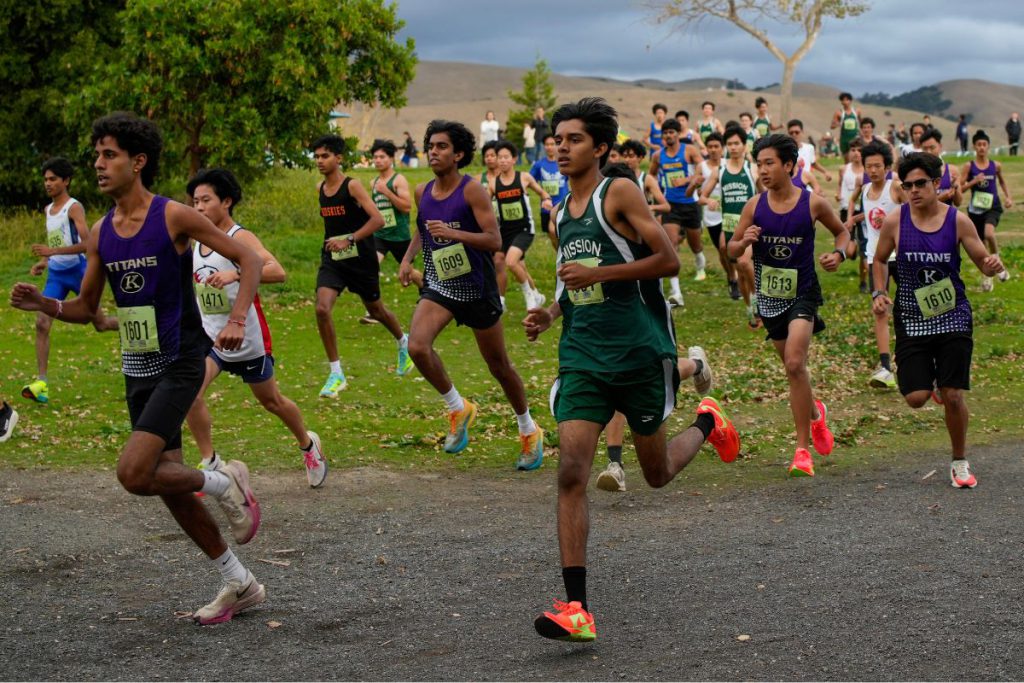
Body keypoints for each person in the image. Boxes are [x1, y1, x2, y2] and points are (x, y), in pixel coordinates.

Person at [10, 112, 265, 624]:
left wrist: (237, 318)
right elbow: (85, 309)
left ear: (138, 161)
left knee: (134, 473)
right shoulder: (102, 232)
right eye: (96, 156)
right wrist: (44, 305)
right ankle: (240, 582)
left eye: (110, 155)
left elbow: (251, 260)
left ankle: (224, 483)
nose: (99, 165)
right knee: (165, 483)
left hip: (180, 361)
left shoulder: (173, 216)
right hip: (137, 366)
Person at [523, 97, 738, 643]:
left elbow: (666, 260)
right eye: (558, 140)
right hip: (583, 357)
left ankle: (708, 420)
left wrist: (603, 273)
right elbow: (567, 283)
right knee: (571, 470)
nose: (563, 147)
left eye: (574, 140)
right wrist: (548, 314)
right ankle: (578, 608)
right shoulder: (556, 213)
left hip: (638, 353)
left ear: (599, 148)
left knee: (657, 472)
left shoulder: (617, 192)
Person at [400, 119, 545, 471]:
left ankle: (529, 429)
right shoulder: (422, 192)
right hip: (440, 284)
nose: (433, 152)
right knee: (417, 346)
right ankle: (457, 407)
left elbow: (494, 240)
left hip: (477, 288)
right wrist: (407, 259)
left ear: (459, 154)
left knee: (499, 366)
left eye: (442, 147)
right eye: (430, 146)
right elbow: (423, 229)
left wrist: (454, 233)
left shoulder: (472, 191)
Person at [184, 168, 328, 488]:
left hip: (247, 338)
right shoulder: (195, 239)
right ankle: (211, 462)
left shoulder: (239, 237)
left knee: (271, 401)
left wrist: (238, 274)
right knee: (190, 392)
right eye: (195, 202)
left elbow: (277, 271)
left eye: (206, 200)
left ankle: (307, 444)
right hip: (210, 337)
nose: (199, 208)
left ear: (227, 201)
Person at [872, 152, 1004, 488]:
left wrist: (988, 266)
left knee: (954, 394)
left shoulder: (957, 220)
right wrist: (879, 292)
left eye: (920, 183)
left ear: (935, 183)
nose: (913, 190)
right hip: (912, 317)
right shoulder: (895, 221)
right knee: (915, 398)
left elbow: (978, 256)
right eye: (907, 185)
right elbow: (880, 260)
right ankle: (929, 383)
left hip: (953, 315)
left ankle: (959, 462)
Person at [728, 134, 848, 477]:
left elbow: (843, 234)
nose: (763, 170)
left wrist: (837, 254)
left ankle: (801, 450)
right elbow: (732, 251)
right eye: (759, 164)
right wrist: (743, 242)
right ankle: (815, 415)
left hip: (803, 293)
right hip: (769, 298)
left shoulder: (812, 203)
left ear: (789, 166)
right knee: (793, 369)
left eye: (770, 163)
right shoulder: (754, 206)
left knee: (796, 362)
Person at [311, 134, 413, 398]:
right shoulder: (320, 189)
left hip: (361, 259)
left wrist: (350, 239)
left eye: (325, 156)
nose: (320, 161)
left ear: (339, 158)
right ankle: (336, 373)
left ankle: (403, 342)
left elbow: (377, 220)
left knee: (376, 310)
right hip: (333, 259)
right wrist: (335, 244)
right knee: (322, 308)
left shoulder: (352, 186)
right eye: (317, 157)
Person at [24, 158, 118, 404]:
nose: (48, 183)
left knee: (101, 323)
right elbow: (55, 243)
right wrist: (44, 262)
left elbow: (88, 244)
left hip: (79, 272)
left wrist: (52, 253)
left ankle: (138, 330)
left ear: (66, 181)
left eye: (53, 179)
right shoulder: (48, 210)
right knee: (42, 323)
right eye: (45, 179)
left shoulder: (73, 207)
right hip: (56, 274)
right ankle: (41, 383)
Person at [846, 142, 906, 389]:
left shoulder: (897, 188)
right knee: (879, 310)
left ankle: (911, 358)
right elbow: (865, 210)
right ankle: (885, 367)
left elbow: (915, 211)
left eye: (877, 166)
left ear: (887, 167)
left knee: (907, 309)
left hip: (900, 257)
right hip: (875, 259)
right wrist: (853, 219)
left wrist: (893, 218)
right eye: (868, 165)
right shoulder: (865, 190)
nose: (872, 170)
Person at [703, 127, 762, 327]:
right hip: (730, 229)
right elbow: (702, 196)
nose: (733, 147)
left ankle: (760, 302)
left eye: (737, 143)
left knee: (746, 264)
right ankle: (749, 310)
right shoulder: (719, 171)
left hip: (750, 227)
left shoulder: (752, 169)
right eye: (730, 144)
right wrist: (708, 201)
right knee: (742, 273)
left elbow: (765, 194)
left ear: (745, 146)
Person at [488, 140, 551, 310]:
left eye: (506, 157)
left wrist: (546, 200)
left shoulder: (524, 177)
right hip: (505, 231)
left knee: (510, 262)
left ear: (514, 159)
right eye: (499, 157)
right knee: (513, 264)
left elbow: (542, 192)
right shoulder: (494, 183)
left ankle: (529, 296)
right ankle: (537, 295)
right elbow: (485, 206)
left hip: (524, 229)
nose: (502, 161)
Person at [649, 117, 706, 300]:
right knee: (671, 244)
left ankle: (700, 263)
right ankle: (676, 292)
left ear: (678, 134)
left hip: (690, 203)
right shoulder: (658, 155)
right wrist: (653, 191)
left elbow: (702, 169)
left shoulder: (689, 150)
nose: (668, 135)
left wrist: (687, 180)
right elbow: (651, 175)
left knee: (695, 245)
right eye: (665, 133)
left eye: (671, 132)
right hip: (670, 205)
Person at [961, 130, 1012, 290]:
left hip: (993, 206)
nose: (982, 147)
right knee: (981, 247)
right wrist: (973, 181)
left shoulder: (996, 165)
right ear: (974, 147)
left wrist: (1008, 197)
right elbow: (960, 189)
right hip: (976, 210)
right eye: (979, 145)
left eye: (984, 144)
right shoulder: (969, 166)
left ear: (988, 146)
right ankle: (987, 277)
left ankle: (998, 262)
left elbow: (1002, 182)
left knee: (989, 234)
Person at [370, 139, 423, 293]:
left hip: (399, 236)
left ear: (391, 158)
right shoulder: (373, 182)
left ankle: (425, 287)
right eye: (375, 157)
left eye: (382, 157)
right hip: (380, 234)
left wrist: (387, 192)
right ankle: (373, 309)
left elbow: (407, 207)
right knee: (371, 267)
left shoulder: (398, 180)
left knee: (410, 273)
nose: (378, 160)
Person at [692, 132, 738, 298]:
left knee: (727, 248)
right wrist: (704, 197)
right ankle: (731, 276)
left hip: (730, 215)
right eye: (710, 146)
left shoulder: (729, 164)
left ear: (722, 148)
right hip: (711, 217)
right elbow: (697, 194)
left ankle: (735, 278)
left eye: (716, 146)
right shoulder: (701, 167)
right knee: (722, 252)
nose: (713, 150)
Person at [837, 138, 869, 292]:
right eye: (853, 150)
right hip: (846, 209)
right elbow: (839, 183)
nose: (856, 153)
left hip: (863, 211)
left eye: (860, 150)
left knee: (865, 251)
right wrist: (838, 194)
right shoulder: (844, 169)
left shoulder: (868, 171)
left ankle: (863, 283)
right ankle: (854, 246)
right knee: (849, 253)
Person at [531, 133, 570, 250]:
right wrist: (540, 192)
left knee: (553, 230)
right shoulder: (539, 165)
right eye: (547, 144)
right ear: (544, 146)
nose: (549, 147)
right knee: (551, 235)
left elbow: (571, 179)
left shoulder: (564, 162)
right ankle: (560, 254)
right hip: (546, 207)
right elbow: (529, 180)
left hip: (562, 204)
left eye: (552, 144)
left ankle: (564, 254)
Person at [619, 139, 670, 214]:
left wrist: (650, 207)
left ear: (640, 158)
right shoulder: (617, 175)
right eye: (625, 156)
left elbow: (666, 206)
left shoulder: (647, 179)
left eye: (631, 156)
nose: (627, 160)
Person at [919, 129, 962, 207]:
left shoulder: (952, 170)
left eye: (932, 148)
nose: (928, 152)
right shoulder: (918, 173)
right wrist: (940, 198)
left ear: (940, 146)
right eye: (925, 149)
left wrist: (955, 188)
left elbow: (958, 203)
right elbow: (918, 206)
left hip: (948, 218)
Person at [788, 119, 832, 184]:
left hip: (806, 183)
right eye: (791, 133)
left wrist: (825, 172)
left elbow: (813, 163)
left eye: (797, 132)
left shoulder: (809, 148)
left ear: (802, 132)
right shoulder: (784, 150)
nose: (794, 135)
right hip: (792, 184)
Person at [830, 92, 860, 158]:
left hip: (855, 137)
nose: (845, 102)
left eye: (847, 100)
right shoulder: (838, 113)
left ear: (851, 101)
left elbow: (861, 122)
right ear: (841, 102)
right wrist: (837, 124)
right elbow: (832, 126)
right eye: (843, 100)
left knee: (854, 156)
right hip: (844, 138)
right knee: (846, 158)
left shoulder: (857, 111)